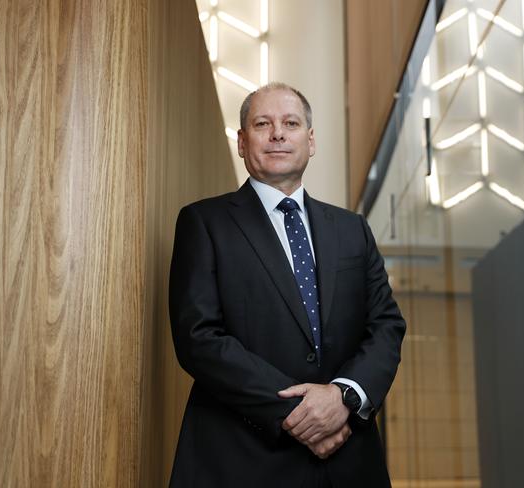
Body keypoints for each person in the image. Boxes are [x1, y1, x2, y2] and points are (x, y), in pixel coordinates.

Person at [168, 82, 405, 488]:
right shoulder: (204, 223)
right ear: (242, 143)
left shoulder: (353, 230)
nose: (278, 133)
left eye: (291, 123)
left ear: (310, 141)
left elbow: (386, 326)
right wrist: (305, 412)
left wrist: (343, 397)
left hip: (348, 461)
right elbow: (199, 338)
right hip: (243, 459)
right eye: (263, 123)